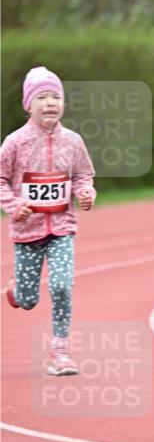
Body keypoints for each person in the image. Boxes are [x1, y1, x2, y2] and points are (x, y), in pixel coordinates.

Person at [1, 67, 96, 374]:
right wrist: (15, 206)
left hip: (62, 229)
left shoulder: (73, 141)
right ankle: (16, 291)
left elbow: (83, 174)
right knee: (28, 301)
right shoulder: (15, 143)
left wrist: (85, 191)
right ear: (29, 104)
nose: (50, 102)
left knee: (61, 286)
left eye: (56, 96)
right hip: (26, 232)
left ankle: (60, 352)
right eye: (42, 97)